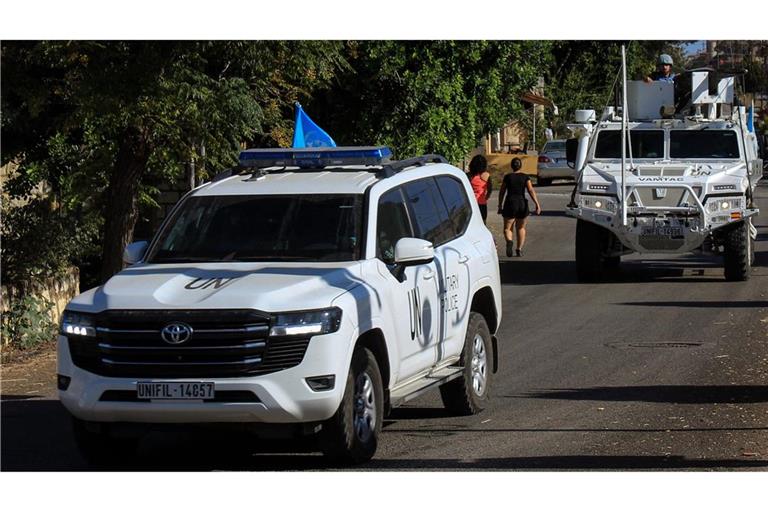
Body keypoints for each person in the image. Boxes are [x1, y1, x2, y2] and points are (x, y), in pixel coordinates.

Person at [497, 157, 542, 257]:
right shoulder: (525, 177)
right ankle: (519, 249)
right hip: (522, 203)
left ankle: (509, 241)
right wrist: (537, 204)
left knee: (507, 228)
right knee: (521, 228)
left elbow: (502, 192)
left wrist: (500, 205)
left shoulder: (508, 177)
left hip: (510, 203)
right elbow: (531, 190)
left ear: (511, 166)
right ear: (520, 166)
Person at [467, 155, 493, 224]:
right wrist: (485, 197)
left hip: (471, 203)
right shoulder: (486, 175)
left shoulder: (468, 176)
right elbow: (490, 189)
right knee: (483, 224)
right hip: (482, 203)